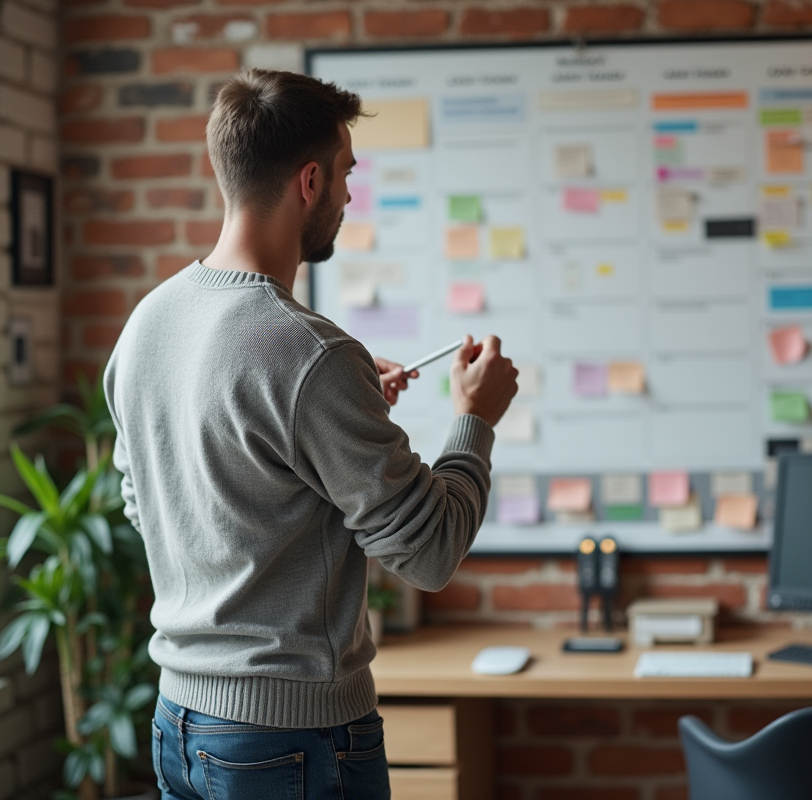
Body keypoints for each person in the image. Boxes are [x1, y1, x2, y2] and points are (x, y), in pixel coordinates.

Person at [104, 69, 518, 800]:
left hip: (179, 724)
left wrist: (326, 429)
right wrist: (474, 419)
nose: (349, 195)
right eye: (346, 174)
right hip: (292, 739)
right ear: (308, 182)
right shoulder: (309, 355)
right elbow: (428, 553)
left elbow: (149, 497)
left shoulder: (147, 324)